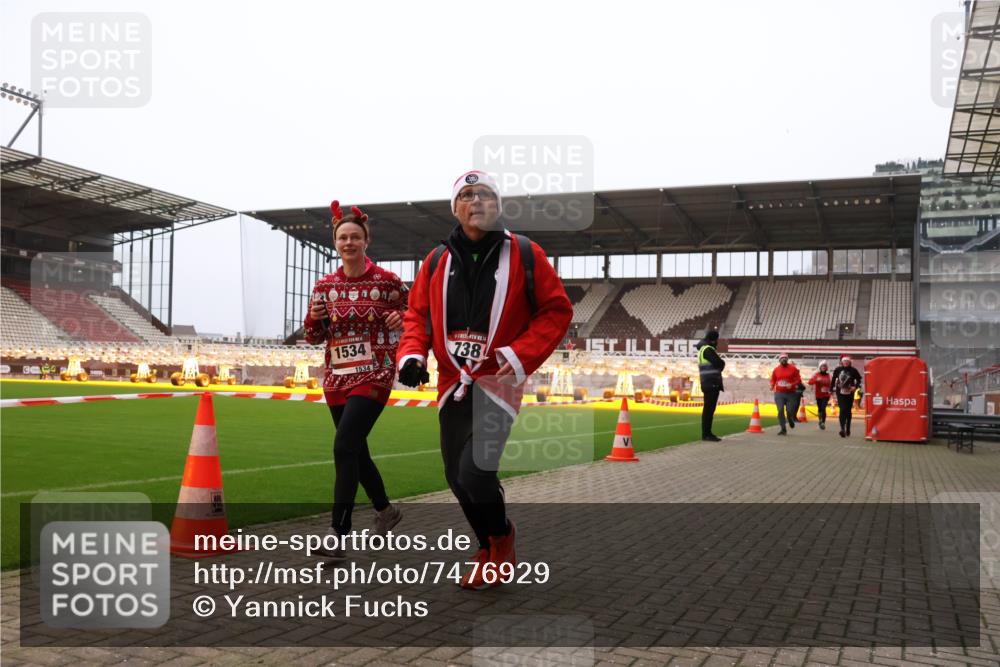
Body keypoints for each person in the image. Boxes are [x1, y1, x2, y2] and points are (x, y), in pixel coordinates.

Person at [397, 170, 572, 590]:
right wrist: (412, 355)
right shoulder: (436, 260)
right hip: (450, 383)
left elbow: (556, 311)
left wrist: (518, 354)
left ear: (499, 205)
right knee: (455, 478)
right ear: (456, 207)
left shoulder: (527, 254)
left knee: (476, 472)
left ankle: (503, 538)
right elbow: (417, 315)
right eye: (468, 195)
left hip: (499, 381)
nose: (477, 201)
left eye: (487, 195)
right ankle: (486, 545)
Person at [303, 200, 406, 559]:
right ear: (335, 242)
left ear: (367, 241)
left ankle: (338, 532)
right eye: (342, 237)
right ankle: (386, 511)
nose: (349, 242)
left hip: (375, 371)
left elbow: (413, 318)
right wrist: (314, 318)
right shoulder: (324, 286)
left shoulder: (388, 282)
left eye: (355, 237)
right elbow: (313, 337)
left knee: (343, 446)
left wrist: (401, 319)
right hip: (336, 377)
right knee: (356, 452)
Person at [694, 330, 725, 441]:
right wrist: (722, 363)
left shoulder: (703, 349)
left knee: (708, 409)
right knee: (709, 409)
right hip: (711, 382)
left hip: (707, 382)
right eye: (716, 340)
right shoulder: (708, 350)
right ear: (713, 340)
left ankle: (706, 433)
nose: (717, 342)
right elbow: (719, 363)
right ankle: (707, 434)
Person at [769, 352, 801, 436]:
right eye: (782, 358)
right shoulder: (776, 370)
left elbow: (798, 380)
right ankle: (783, 429)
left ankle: (790, 419)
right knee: (780, 410)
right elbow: (773, 379)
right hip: (779, 393)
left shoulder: (793, 368)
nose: (784, 360)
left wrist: (792, 384)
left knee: (790, 411)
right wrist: (772, 385)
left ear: (787, 359)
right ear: (779, 360)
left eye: (785, 358)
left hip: (791, 393)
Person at [831, 355, 863, 438]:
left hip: (850, 392)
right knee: (842, 409)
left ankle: (848, 427)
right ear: (842, 362)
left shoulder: (853, 370)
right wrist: (831, 389)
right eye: (844, 361)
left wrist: (855, 387)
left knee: (848, 411)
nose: (845, 363)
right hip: (840, 392)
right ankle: (842, 429)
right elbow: (833, 379)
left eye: (847, 361)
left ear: (850, 362)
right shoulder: (838, 369)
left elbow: (859, 379)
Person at [807, 361, 832, 430]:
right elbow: (809, 382)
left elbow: (832, 385)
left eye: (825, 366)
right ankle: (820, 420)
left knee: (823, 408)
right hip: (818, 395)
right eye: (822, 366)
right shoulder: (816, 375)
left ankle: (823, 422)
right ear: (820, 367)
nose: (823, 368)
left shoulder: (829, 375)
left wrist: (831, 390)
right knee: (820, 409)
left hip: (826, 395)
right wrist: (816, 380)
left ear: (826, 368)